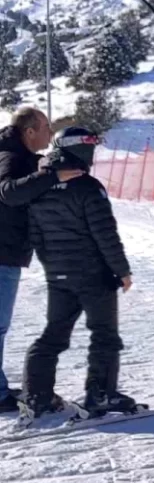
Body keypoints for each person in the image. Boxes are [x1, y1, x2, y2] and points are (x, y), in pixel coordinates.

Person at [22, 127, 135, 418]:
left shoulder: (41, 186)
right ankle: (101, 394)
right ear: (76, 149)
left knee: (53, 335)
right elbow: (105, 234)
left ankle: (37, 396)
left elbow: (36, 237)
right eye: (88, 146)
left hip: (59, 276)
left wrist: (55, 268)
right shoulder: (88, 186)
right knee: (105, 334)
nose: (92, 151)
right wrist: (121, 270)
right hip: (93, 275)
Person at [0, 107, 83, 412]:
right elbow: (8, 192)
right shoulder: (10, 156)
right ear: (29, 131)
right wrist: (50, 175)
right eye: (46, 127)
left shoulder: (17, 155)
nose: (50, 133)